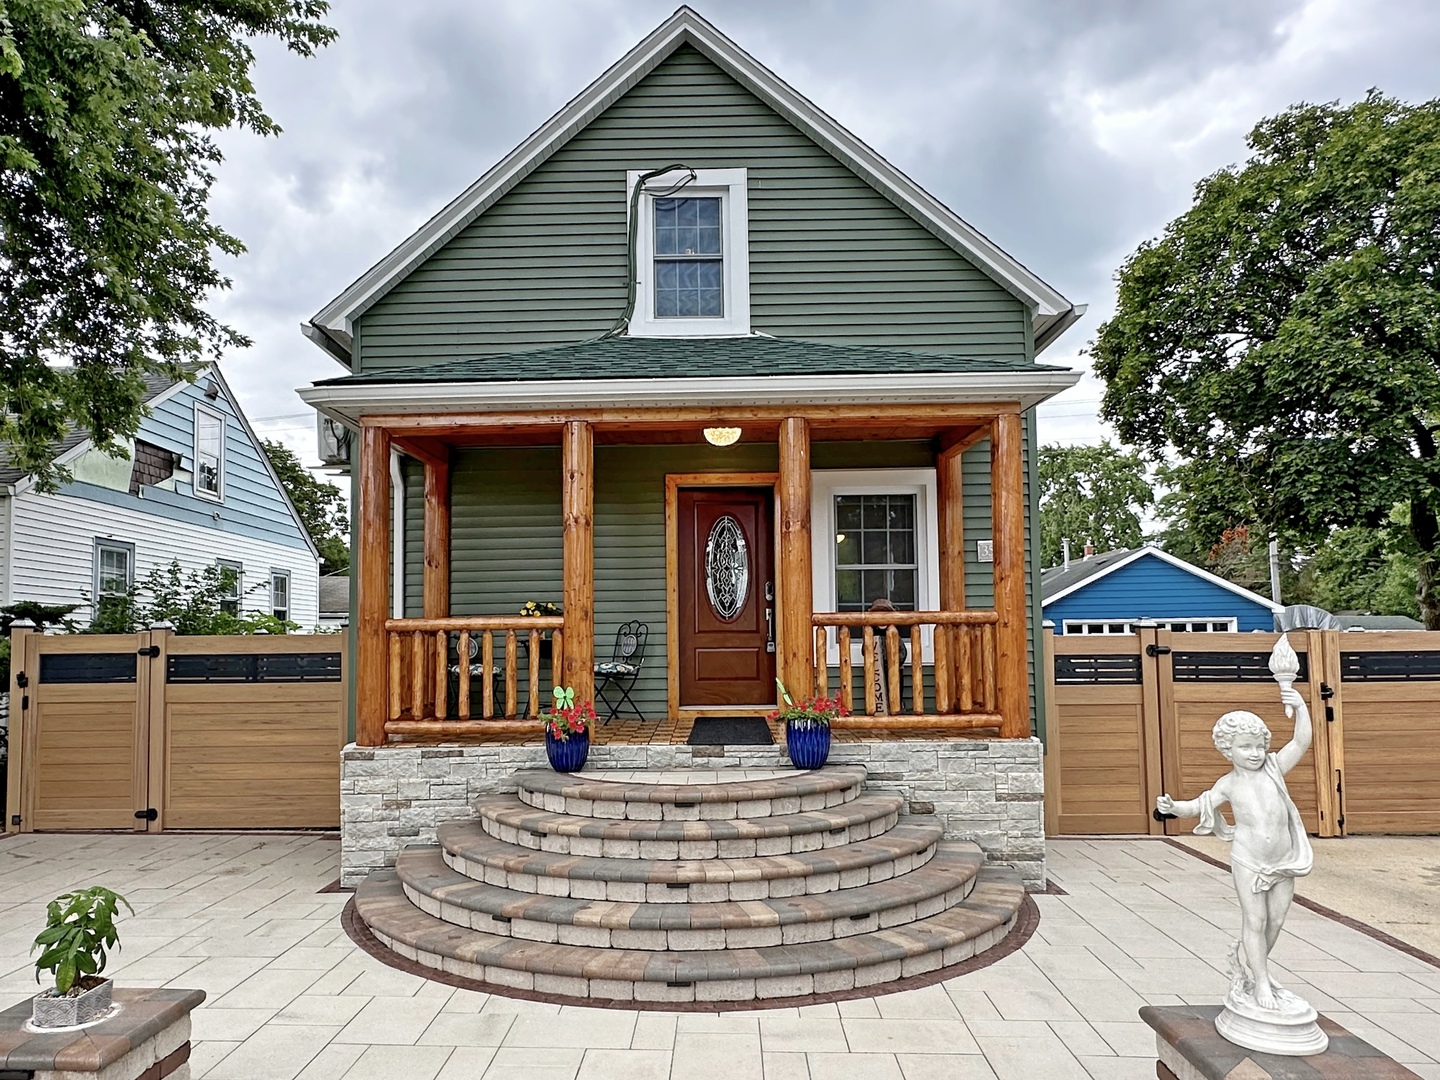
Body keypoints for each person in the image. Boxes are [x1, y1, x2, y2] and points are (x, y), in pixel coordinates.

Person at [1156, 687, 1313, 1011]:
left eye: (1259, 746)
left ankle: (1256, 969)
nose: (1255, 753)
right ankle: (1262, 981)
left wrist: (1301, 707)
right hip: (1249, 859)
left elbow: (1301, 742)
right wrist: (1173, 808)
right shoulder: (1228, 784)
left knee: (1276, 920)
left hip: (1283, 860)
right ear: (1228, 749)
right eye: (1245, 747)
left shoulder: (1274, 768)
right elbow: (1199, 805)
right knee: (1255, 920)